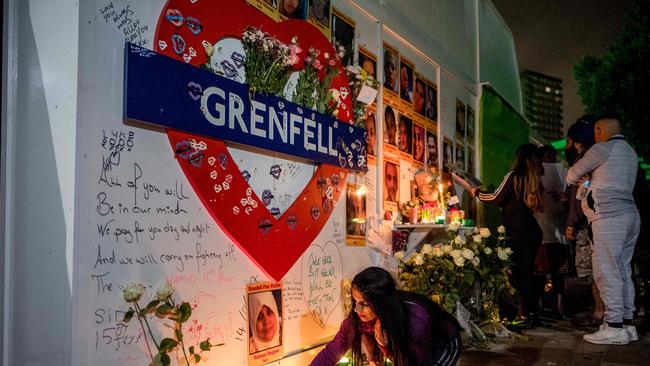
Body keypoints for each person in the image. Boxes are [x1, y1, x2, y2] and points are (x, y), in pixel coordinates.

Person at [566, 116, 640, 345]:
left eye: (595, 132)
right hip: (629, 214)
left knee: (606, 271)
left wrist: (584, 176)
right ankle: (627, 325)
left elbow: (571, 175)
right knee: (623, 270)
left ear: (600, 131)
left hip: (608, 217)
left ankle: (614, 326)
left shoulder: (603, 148)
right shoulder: (629, 151)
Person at [462, 143, 544, 328]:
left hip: (518, 232)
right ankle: (531, 314)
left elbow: (495, 199)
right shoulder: (533, 178)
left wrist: (475, 192)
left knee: (519, 275)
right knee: (528, 273)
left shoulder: (513, 176)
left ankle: (524, 317)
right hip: (531, 230)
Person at [310, 267, 462, 366]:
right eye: (355, 301)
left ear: (382, 302)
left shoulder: (416, 322)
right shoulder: (357, 318)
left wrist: (384, 346)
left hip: (441, 346)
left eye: (364, 303)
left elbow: (415, 363)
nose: (357, 308)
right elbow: (332, 352)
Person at [564, 116, 605, 329]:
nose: (566, 145)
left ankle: (600, 313)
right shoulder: (600, 158)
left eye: (568, 141)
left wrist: (571, 222)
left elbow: (577, 196)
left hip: (586, 225)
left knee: (593, 273)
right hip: (599, 220)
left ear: (577, 140)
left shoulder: (583, 162)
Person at [533, 145, 569, 318]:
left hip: (559, 229)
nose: (550, 160)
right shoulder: (534, 175)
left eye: (553, 157)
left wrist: (564, 197)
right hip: (542, 229)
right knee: (540, 271)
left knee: (559, 272)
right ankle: (540, 304)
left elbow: (578, 187)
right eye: (547, 156)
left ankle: (559, 304)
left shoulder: (562, 173)